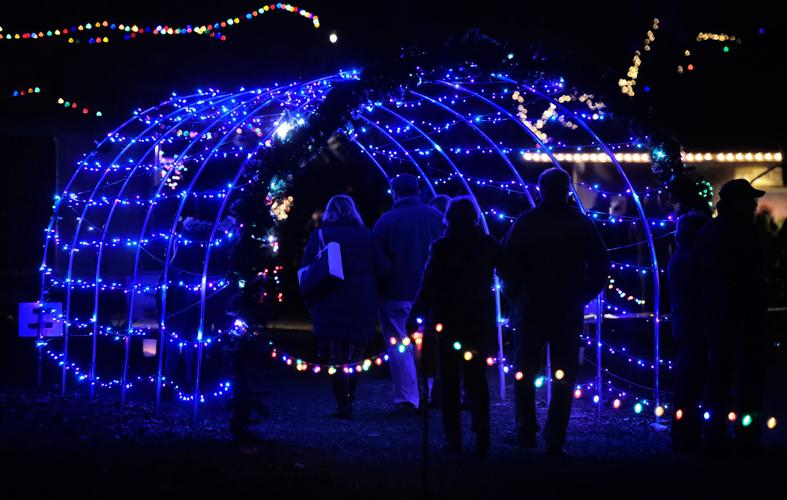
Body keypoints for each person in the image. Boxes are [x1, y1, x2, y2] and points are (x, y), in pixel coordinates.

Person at [501, 168, 610, 454]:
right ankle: (555, 435)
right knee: (564, 373)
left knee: (524, 371)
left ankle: (525, 431)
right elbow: (601, 263)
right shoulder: (580, 223)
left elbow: (505, 261)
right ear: (567, 190)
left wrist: (516, 295)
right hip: (566, 308)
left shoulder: (527, 222)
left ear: (540, 189)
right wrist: (584, 294)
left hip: (532, 308)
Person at [407, 197, 503, 457]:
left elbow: (428, 285)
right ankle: (482, 435)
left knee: (450, 381)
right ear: (473, 217)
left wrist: (417, 312)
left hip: (448, 321)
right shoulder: (487, 245)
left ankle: (454, 439)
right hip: (478, 320)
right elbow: (509, 271)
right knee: (477, 381)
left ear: (448, 218)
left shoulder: (442, 247)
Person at [694, 179, 768, 451]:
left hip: (722, 313)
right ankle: (741, 434)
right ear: (735, 202)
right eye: (749, 199)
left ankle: (717, 432)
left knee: (722, 375)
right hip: (735, 312)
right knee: (742, 375)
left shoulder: (713, 231)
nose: (753, 204)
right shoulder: (737, 232)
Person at [301, 195, 390, 418]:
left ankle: (342, 402)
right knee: (354, 356)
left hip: (328, 302)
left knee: (335, 357)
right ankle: (350, 395)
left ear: (329, 212)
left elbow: (306, 270)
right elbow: (384, 268)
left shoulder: (319, 235)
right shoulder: (367, 236)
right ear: (353, 211)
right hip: (361, 303)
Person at [374, 174, 444, 413]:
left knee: (400, 346)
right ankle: (429, 391)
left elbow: (378, 259)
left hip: (395, 292)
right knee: (428, 344)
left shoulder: (386, 221)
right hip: (430, 293)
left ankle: (407, 398)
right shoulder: (436, 217)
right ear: (418, 190)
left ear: (395, 191)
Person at [667, 188, 712, 451]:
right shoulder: (690, 259)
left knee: (689, 379)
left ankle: (685, 432)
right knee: (690, 380)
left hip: (684, 323)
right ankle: (685, 434)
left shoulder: (680, 256)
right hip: (691, 324)